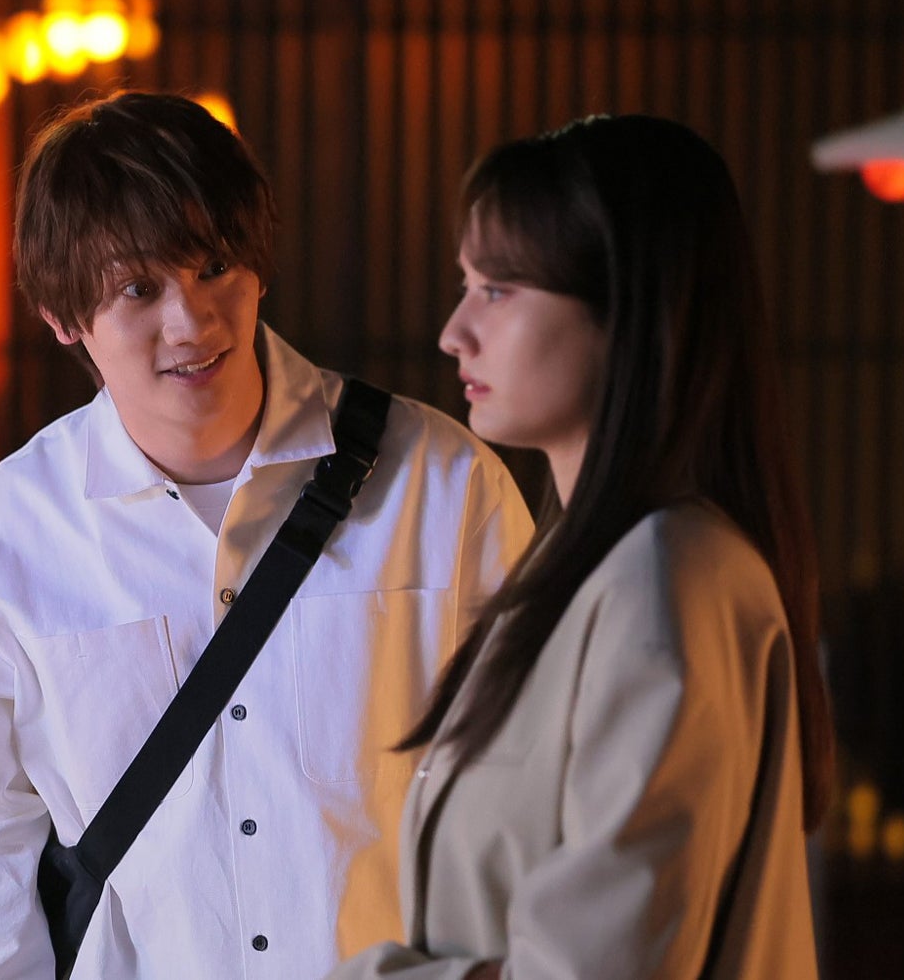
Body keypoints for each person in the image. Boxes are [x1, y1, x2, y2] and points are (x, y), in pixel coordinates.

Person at [0, 92, 533, 979]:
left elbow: (530, 784)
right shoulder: (6, 539)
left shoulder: (441, 486)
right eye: (138, 289)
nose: (193, 321)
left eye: (216, 266)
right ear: (64, 319)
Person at [328, 114, 835, 980]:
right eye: (465, 284)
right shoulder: (580, 562)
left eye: (498, 291)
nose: (455, 331)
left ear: (626, 316)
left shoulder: (669, 576)